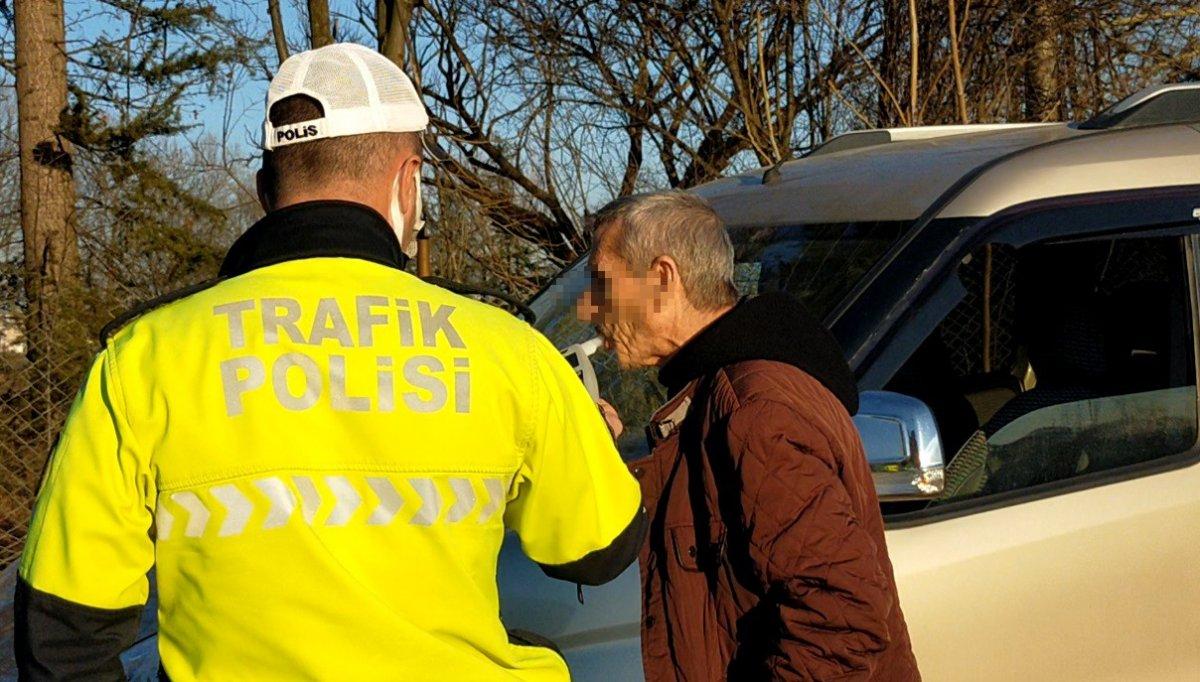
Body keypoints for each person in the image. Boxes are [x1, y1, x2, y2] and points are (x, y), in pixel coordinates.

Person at [15, 43, 645, 681]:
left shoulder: (146, 358)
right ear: (408, 184)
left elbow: (62, 629)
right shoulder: (507, 350)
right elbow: (599, 552)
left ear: (268, 190)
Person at [578, 191, 920, 681]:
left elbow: (843, 618)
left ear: (661, 279)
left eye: (602, 283)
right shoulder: (723, 393)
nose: (587, 308)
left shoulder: (757, 412)